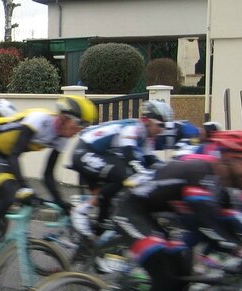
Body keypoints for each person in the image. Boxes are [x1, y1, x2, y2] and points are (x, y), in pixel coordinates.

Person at [112, 132, 242, 291]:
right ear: (228, 158)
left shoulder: (225, 190)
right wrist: (239, 251)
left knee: (183, 276)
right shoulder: (202, 171)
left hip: (153, 217)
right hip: (130, 210)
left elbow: (235, 222)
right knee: (165, 275)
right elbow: (206, 223)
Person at [0, 96, 97, 266]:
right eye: (80, 124)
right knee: (10, 194)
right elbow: (15, 154)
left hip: (3, 157)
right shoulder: (39, 118)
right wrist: (24, 188)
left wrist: (61, 202)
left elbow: (48, 174)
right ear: (66, 118)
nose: (80, 130)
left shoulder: (62, 138)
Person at [70, 100, 174, 237]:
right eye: (160, 125)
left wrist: (170, 173)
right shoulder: (133, 129)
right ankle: (81, 211)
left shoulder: (145, 136)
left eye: (165, 126)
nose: (162, 130)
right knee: (124, 174)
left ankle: (97, 235)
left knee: (113, 192)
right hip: (84, 151)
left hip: (100, 154)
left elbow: (151, 161)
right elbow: (130, 158)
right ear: (146, 120)